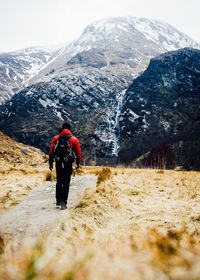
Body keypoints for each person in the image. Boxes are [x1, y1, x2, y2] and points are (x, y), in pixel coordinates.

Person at [49, 123, 81, 210]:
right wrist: (77, 163)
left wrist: (51, 162)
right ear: (69, 129)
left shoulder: (56, 138)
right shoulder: (73, 139)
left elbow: (51, 151)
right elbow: (78, 152)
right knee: (66, 183)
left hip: (59, 163)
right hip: (68, 164)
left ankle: (58, 201)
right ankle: (64, 203)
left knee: (59, 181)